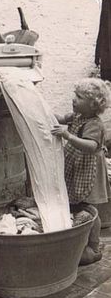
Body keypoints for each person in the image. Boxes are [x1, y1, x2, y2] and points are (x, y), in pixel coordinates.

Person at [51, 77, 111, 265]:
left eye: (79, 97)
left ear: (93, 105)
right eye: (74, 95)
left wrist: (67, 135)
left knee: (91, 209)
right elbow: (60, 119)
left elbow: (91, 146)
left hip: (90, 170)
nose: (73, 99)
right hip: (77, 168)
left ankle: (93, 246)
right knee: (80, 206)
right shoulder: (77, 116)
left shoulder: (94, 123)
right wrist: (43, 111)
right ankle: (81, 242)